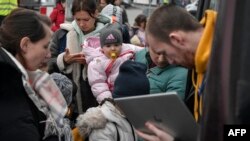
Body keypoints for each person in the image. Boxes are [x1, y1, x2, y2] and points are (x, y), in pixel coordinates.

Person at [136, 4, 217, 141]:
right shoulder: (202, 63)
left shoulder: (233, 62)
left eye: (165, 53)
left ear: (176, 39)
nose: (168, 61)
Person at [0, 8, 72, 141]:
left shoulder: (21, 81)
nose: (49, 54)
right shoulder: (10, 93)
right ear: (25, 44)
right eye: (45, 46)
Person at [56, 0, 111, 114]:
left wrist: (96, 62)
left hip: (98, 99)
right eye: (78, 19)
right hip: (70, 102)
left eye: (86, 19)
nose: (81, 24)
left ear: (95, 14)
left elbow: (118, 62)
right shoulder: (62, 34)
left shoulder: (109, 35)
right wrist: (64, 61)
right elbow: (46, 64)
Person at [73, 60, 150, 141]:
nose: (141, 105)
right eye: (138, 101)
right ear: (125, 98)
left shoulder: (129, 116)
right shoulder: (103, 127)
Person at [82, 28, 143, 103]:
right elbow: (98, 84)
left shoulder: (127, 48)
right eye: (108, 46)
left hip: (135, 89)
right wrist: (107, 100)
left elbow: (144, 51)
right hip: (114, 95)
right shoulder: (97, 62)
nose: (113, 48)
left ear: (121, 44)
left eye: (116, 45)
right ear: (102, 48)